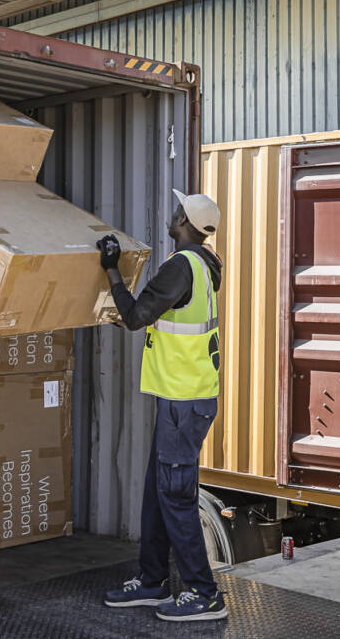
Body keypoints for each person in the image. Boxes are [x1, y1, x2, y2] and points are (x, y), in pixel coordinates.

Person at [96, 189, 227, 623]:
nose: (171, 216)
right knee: (159, 492)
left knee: (174, 495)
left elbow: (135, 317)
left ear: (185, 223)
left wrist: (112, 270)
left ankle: (203, 593)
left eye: (177, 213)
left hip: (184, 402)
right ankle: (152, 581)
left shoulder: (182, 265)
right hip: (183, 397)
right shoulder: (206, 266)